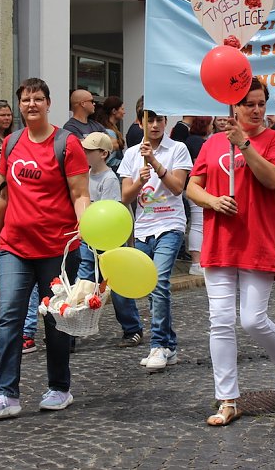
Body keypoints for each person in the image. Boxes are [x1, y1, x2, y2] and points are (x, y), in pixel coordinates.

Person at [0, 77, 90, 419]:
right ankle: (6, 394)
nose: (31, 105)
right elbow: (5, 196)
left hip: (58, 248)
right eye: (25, 99)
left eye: (38, 99)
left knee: (56, 321)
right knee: (9, 315)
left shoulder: (66, 143)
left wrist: (86, 226)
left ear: (48, 103)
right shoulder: (11, 144)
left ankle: (59, 387)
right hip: (15, 246)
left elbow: (80, 194)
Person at [187, 78, 275, 427]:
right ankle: (228, 399)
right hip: (219, 241)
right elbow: (193, 186)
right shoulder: (213, 143)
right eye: (249, 103)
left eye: (261, 102)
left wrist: (245, 145)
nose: (256, 109)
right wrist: (213, 202)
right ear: (234, 106)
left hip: (257, 240)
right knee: (220, 321)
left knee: (251, 319)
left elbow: (273, 179)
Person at [120, 112, 193, 371]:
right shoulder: (130, 154)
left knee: (160, 282)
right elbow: (126, 196)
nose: (154, 125)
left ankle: (157, 345)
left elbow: (177, 188)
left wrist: (156, 164)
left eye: (159, 120)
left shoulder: (178, 149)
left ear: (166, 123)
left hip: (170, 225)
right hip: (142, 229)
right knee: (151, 287)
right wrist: (140, 178)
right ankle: (170, 346)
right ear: (140, 122)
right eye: (149, 120)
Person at [76, 132, 144, 347]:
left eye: (89, 150)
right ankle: (70, 332)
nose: (84, 153)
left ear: (103, 154)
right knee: (83, 285)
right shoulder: (85, 175)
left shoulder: (109, 179)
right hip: (89, 240)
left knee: (117, 287)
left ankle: (132, 328)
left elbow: (109, 213)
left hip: (109, 242)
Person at [185, 117, 212, 275]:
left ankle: (198, 261)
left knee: (198, 223)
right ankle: (196, 262)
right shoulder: (198, 142)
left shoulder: (191, 140)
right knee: (198, 223)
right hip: (199, 186)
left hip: (194, 186)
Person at [95, 95, 127, 168]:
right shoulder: (110, 132)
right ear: (114, 111)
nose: (124, 112)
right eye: (122, 109)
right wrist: (126, 163)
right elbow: (109, 160)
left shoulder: (108, 129)